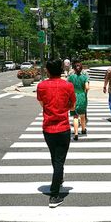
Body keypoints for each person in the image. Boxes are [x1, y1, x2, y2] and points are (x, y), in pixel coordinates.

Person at [36, 59, 76, 208]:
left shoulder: (41, 86)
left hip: (48, 128)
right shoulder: (68, 85)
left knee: (55, 157)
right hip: (63, 127)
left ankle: (58, 179)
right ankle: (54, 194)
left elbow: (42, 104)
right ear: (61, 69)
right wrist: (63, 107)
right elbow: (72, 106)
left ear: (47, 70)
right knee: (59, 160)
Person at [67, 62, 89, 141]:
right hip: (82, 96)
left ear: (74, 69)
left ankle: (76, 133)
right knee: (82, 115)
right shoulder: (84, 77)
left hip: (73, 96)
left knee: (75, 116)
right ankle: (83, 129)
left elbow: (67, 86)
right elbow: (87, 87)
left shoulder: (71, 77)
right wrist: (84, 92)